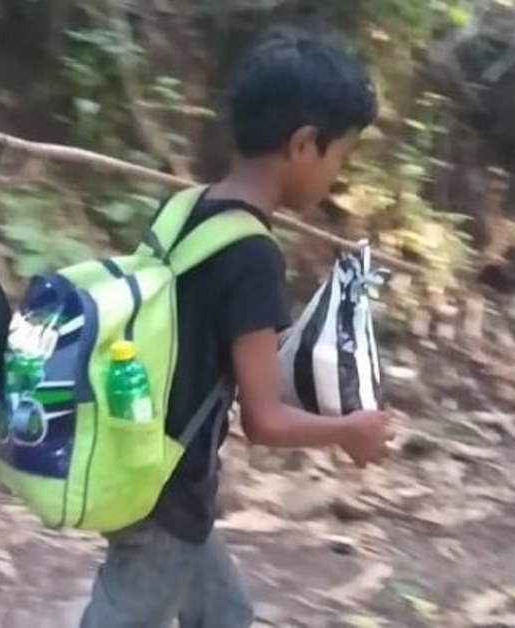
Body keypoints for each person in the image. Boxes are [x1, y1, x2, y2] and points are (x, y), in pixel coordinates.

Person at [81, 25, 390, 628]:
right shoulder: (252, 254)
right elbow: (265, 420)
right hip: (164, 491)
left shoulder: (186, 209)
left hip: (131, 453)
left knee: (225, 614)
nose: (337, 175)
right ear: (304, 144)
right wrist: (350, 429)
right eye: (340, 155)